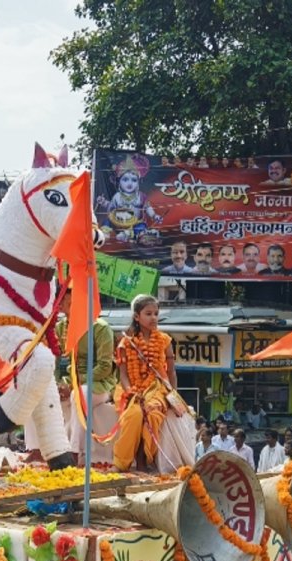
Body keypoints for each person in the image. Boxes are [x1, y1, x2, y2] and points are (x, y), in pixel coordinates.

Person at [112, 295, 178, 472]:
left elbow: (171, 372)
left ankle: (146, 459)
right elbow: (123, 375)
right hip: (133, 388)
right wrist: (130, 391)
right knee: (134, 414)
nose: (154, 318)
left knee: (152, 412)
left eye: (156, 313)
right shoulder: (126, 342)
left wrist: (174, 396)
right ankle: (122, 462)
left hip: (157, 387)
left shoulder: (165, 340)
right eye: (148, 313)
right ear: (136, 317)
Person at [56, 283, 117, 463]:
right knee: (42, 391)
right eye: (65, 305)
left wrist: (74, 383)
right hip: (71, 380)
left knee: (78, 394)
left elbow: (105, 367)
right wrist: (59, 382)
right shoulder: (61, 328)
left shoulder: (100, 328)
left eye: (73, 303)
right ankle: (38, 449)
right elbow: (57, 359)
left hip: (99, 384)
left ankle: (74, 453)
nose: (68, 309)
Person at [97, 154, 161, 243]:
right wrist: (103, 202)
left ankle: (132, 235)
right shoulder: (117, 196)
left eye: (134, 180)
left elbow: (147, 208)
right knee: (107, 220)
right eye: (125, 179)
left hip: (135, 223)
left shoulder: (141, 196)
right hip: (118, 223)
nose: (130, 183)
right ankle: (105, 234)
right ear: (119, 181)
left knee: (141, 226)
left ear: (138, 182)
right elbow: (110, 207)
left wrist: (154, 216)